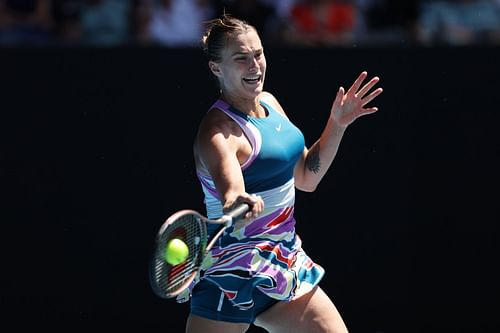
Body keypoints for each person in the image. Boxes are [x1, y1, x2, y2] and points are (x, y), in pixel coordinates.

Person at [179, 13, 383, 333]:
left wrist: (337, 124)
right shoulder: (217, 133)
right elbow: (231, 190)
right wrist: (238, 201)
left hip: (283, 266)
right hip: (231, 278)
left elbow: (306, 177)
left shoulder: (270, 103)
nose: (254, 66)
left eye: (258, 54)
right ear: (216, 68)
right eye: (241, 58)